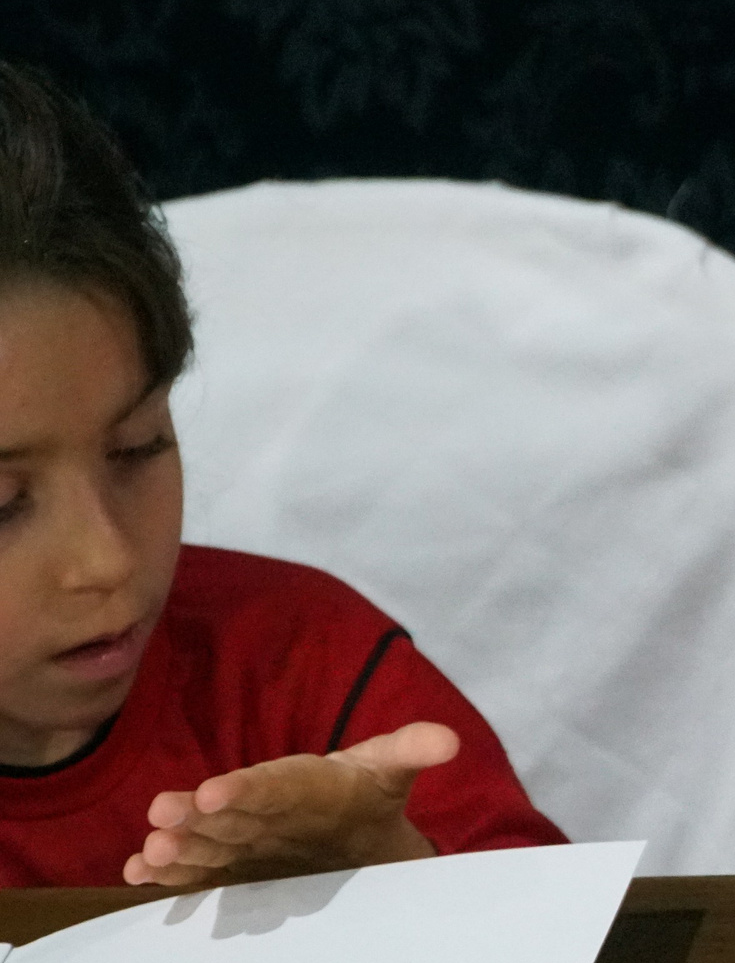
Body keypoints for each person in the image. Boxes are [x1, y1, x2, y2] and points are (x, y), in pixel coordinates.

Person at [0, 62, 566, 890]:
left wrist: (399, 874)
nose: (108, 561)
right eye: (6, 504)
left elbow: (563, 950)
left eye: (138, 448)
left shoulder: (305, 671)